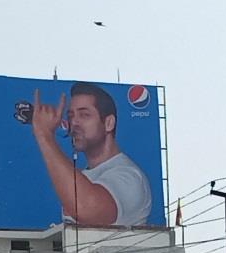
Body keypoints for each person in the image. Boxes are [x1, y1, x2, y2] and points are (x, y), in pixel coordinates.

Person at [29, 82, 152, 227]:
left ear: (109, 123)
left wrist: (44, 136)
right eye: (70, 115)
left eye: (84, 115)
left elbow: (86, 209)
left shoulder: (130, 176)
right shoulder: (82, 177)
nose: (74, 122)